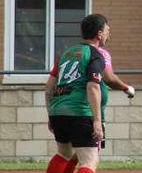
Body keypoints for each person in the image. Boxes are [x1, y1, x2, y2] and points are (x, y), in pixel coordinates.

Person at [44, 14, 109, 173]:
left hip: (57, 111)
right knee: (89, 160)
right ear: (99, 34)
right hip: (80, 112)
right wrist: (97, 121)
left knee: (64, 154)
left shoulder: (66, 53)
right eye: (107, 29)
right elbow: (93, 87)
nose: (109, 33)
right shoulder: (95, 55)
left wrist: (50, 114)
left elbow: (48, 88)